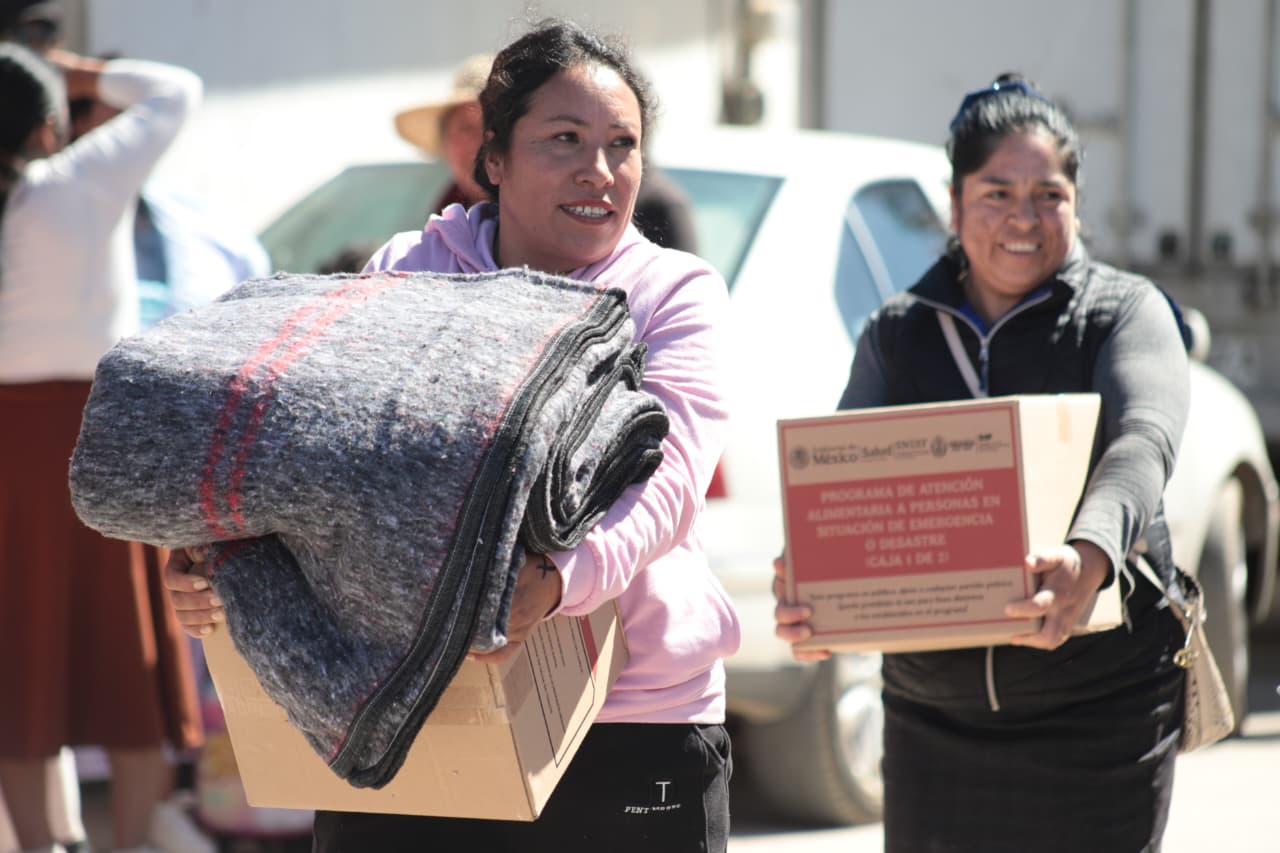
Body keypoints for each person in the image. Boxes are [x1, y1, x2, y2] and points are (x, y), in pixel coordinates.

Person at [163, 18, 740, 853]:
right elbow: (318, 455)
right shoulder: (406, 273)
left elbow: (667, 484)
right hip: (413, 708)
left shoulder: (673, 295)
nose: (601, 170)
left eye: (623, 143)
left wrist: (561, 579)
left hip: (630, 720)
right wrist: (216, 559)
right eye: (566, 139)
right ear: (494, 160)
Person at [773, 74, 1191, 852]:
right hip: (934, 717)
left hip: (1101, 709)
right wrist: (812, 587)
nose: (1024, 219)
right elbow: (839, 481)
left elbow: (1144, 440)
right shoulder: (899, 332)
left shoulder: (1123, 314)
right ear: (955, 201)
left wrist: (1088, 557)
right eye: (997, 192)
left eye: (1049, 194)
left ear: (1077, 202)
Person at [0, 41, 212, 853]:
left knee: (20, 663)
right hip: (96, 443)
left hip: (10, 453)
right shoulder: (79, 182)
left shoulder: (52, 188)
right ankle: (127, 843)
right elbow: (174, 88)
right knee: (125, 659)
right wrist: (76, 70)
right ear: (51, 126)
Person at [395, 51, 698, 252]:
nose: (480, 143)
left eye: (622, 142)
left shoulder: (642, 218)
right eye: (464, 127)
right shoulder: (433, 236)